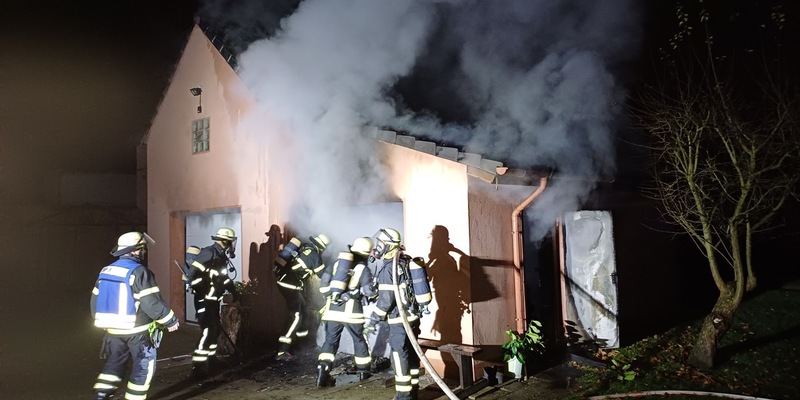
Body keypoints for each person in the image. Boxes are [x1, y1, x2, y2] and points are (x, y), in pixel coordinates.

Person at [91, 231, 180, 400]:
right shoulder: (139, 272)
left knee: (114, 363)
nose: (144, 252)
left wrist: (101, 320)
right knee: (143, 367)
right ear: (134, 250)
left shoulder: (105, 271)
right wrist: (170, 320)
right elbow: (151, 302)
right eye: (142, 248)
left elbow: (96, 298)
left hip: (113, 331)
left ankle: (101, 394)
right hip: (138, 332)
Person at [364, 228, 432, 400]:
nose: (377, 247)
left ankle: (404, 396)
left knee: (399, 356)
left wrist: (373, 320)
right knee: (412, 354)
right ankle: (413, 392)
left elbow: (386, 301)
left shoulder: (389, 268)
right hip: (413, 318)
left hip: (399, 321)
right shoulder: (405, 260)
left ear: (388, 246)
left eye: (380, 243)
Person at [316, 237, 376, 387]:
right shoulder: (363, 269)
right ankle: (363, 371)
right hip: (352, 313)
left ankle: (323, 369)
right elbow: (369, 291)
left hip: (332, 311)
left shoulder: (337, 264)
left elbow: (323, 287)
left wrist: (336, 295)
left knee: (330, 341)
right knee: (359, 339)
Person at [186, 227, 239, 378]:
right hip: (204, 300)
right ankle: (198, 367)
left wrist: (233, 291)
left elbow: (223, 277)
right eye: (230, 241)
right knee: (208, 331)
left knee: (215, 331)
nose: (232, 244)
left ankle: (212, 360)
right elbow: (193, 275)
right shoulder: (209, 253)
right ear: (225, 241)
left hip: (213, 299)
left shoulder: (220, 255)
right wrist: (200, 289)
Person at [274, 233, 331, 361]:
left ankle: (303, 344)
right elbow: (323, 275)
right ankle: (282, 350)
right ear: (322, 247)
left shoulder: (305, 249)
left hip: (287, 282)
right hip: (290, 285)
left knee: (304, 312)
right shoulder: (314, 256)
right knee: (296, 316)